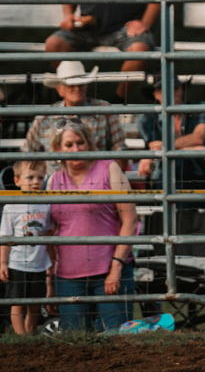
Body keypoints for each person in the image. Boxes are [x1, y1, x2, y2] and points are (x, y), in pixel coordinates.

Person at [47, 120, 138, 332]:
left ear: (89, 143)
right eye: (69, 145)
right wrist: (50, 280)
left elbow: (130, 220)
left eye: (81, 142)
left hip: (109, 272)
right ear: (58, 148)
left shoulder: (109, 169)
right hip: (67, 277)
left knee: (117, 339)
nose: (76, 149)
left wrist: (116, 267)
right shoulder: (53, 181)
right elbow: (51, 233)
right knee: (76, 343)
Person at [23, 61, 125, 167]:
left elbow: (120, 149)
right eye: (71, 85)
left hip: (95, 180)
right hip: (55, 180)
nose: (77, 88)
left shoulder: (104, 110)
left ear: (86, 85)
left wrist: (111, 177)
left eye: (81, 83)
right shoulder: (44, 117)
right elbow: (28, 153)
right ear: (60, 89)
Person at [136, 76, 205, 188]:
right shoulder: (147, 120)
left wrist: (166, 148)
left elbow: (198, 137)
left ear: (181, 89)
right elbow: (154, 146)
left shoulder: (199, 108)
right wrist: (197, 149)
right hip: (167, 179)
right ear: (156, 94)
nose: (171, 93)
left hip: (202, 177)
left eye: (175, 88)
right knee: (178, 164)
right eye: (164, 89)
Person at [1, 161, 54, 335]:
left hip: (38, 264)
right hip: (17, 264)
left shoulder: (46, 205)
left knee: (35, 304)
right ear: (17, 181)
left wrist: (51, 261)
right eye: (30, 177)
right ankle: (21, 337)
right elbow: (5, 238)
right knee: (17, 303)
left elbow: (48, 234)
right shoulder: (11, 207)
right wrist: (2, 263)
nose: (35, 182)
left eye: (40, 177)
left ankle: (30, 335)